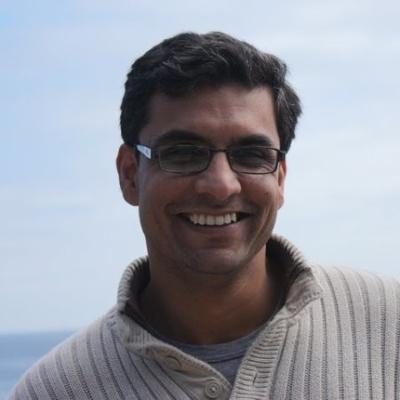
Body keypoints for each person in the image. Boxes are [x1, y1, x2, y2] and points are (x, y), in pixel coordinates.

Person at [10, 32, 400, 400]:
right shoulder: (54, 390)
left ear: (279, 179)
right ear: (130, 175)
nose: (221, 186)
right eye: (182, 153)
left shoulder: (389, 325)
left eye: (251, 155)